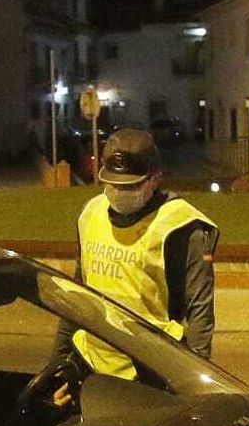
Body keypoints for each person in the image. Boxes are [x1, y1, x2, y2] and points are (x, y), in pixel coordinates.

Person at [52, 128, 218, 385]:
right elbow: (77, 295)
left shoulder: (180, 226)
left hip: (152, 371)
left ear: (156, 178)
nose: (120, 192)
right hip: (92, 364)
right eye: (113, 184)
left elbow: (200, 312)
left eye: (131, 186)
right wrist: (58, 363)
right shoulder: (91, 213)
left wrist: (194, 383)